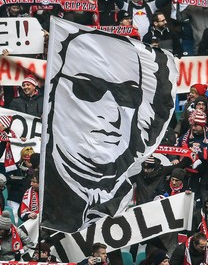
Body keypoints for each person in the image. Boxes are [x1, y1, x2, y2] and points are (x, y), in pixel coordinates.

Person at [42, 27, 175, 231]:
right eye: (88, 89)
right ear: (53, 93)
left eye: (127, 97)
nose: (112, 116)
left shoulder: (124, 191)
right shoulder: (46, 181)